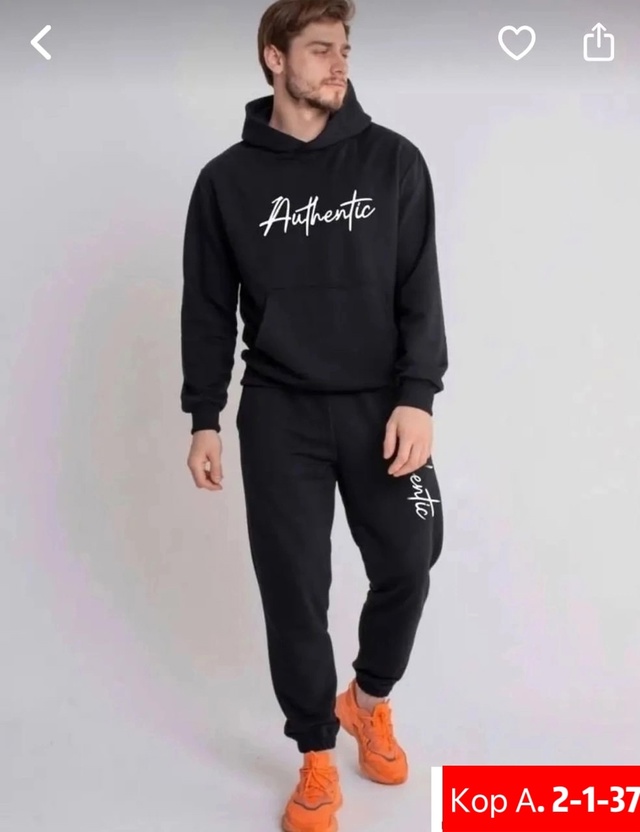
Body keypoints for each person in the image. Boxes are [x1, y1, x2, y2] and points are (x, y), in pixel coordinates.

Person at [180, 1, 448, 829]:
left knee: (414, 553)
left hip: (381, 408)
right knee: (294, 589)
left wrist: (417, 396)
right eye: (321, 49)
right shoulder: (227, 181)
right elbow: (206, 308)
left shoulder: (394, 161)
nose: (339, 64)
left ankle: (367, 700)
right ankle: (316, 757)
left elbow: (420, 290)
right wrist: (203, 414)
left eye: (345, 49)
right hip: (279, 415)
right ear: (275, 57)